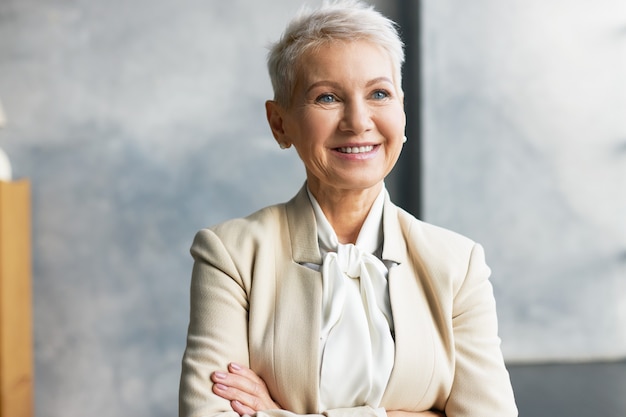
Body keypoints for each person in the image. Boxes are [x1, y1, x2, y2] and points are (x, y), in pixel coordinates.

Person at [179, 1, 518, 416]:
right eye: (327, 97)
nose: (358, 121)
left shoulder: (458, 265)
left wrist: (276, 413)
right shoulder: (230, 255)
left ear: (403, 112)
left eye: (379, 93)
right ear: (279, 123)